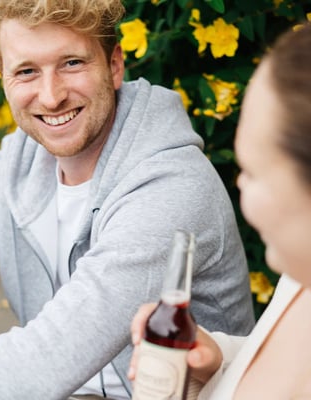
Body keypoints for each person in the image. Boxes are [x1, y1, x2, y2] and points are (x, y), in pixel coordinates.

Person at [0, 0, 255, 399]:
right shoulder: (20, 162)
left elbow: (47, 359)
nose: (52, 96)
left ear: (114, 65)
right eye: (26, 71)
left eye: (72, 63)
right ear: (4, 78)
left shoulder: (169, 186)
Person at [129, 21, 311, 399]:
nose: (239, 183)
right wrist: (217, 360)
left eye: (253, 171)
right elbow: (271, 368)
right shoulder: (300, 277)